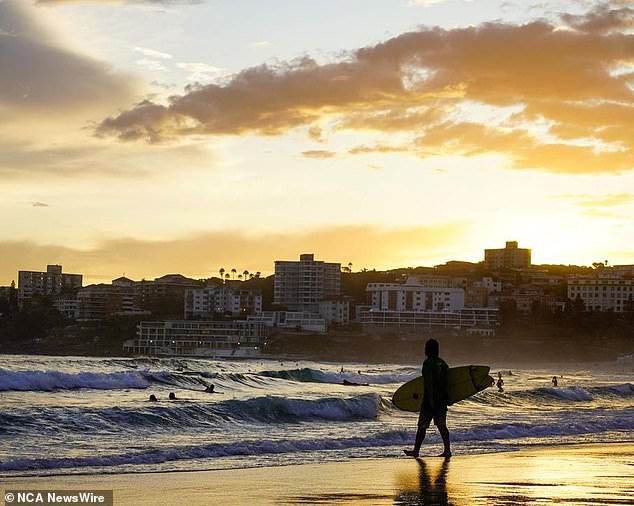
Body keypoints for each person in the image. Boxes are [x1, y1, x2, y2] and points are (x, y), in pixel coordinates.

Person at [404, 338, 451, 458]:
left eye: (426, 347)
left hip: (430, 401)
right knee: (442, 425)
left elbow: (429, 381)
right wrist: (447, 397)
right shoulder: (443, 363)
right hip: (442, 400)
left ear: (429, 350)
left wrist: (430, 399)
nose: (424, 349)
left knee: (422, 426)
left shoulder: (428, 363)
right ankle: (447, 450)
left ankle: (416, 451)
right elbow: (448, 381)